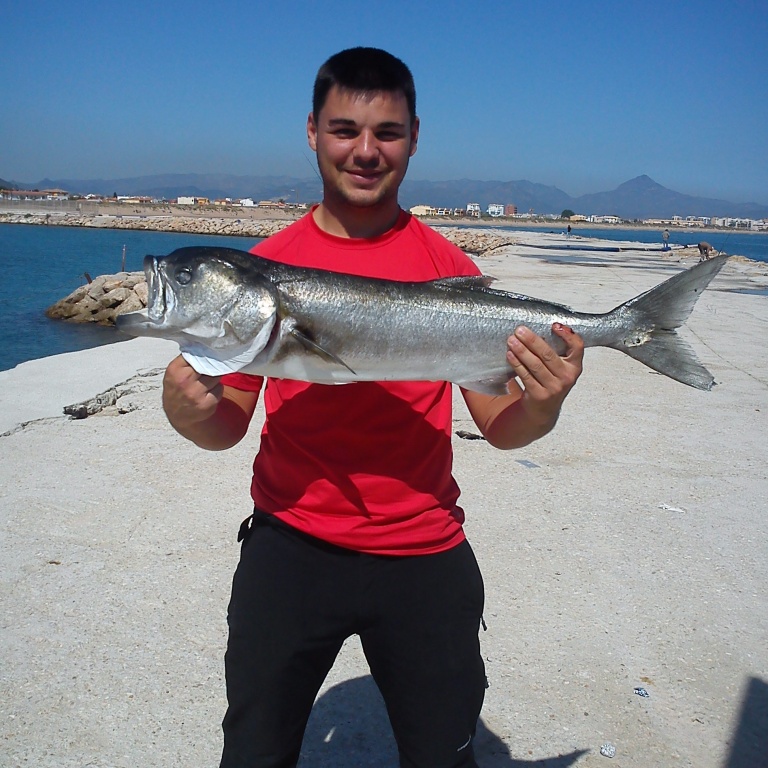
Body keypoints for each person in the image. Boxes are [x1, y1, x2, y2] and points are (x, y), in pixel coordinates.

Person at [161, 47, 584, 768]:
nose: (365, 150)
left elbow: (501, 427)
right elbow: (226, 423)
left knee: (443, 756)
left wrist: (543, 406)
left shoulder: (453, 275)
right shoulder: (262, 270)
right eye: (344, 129)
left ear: (415, 136)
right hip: (288, 548)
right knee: (253, 752)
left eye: (386, 132)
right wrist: (187, 411)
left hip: (424, 555)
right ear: (312, 131)